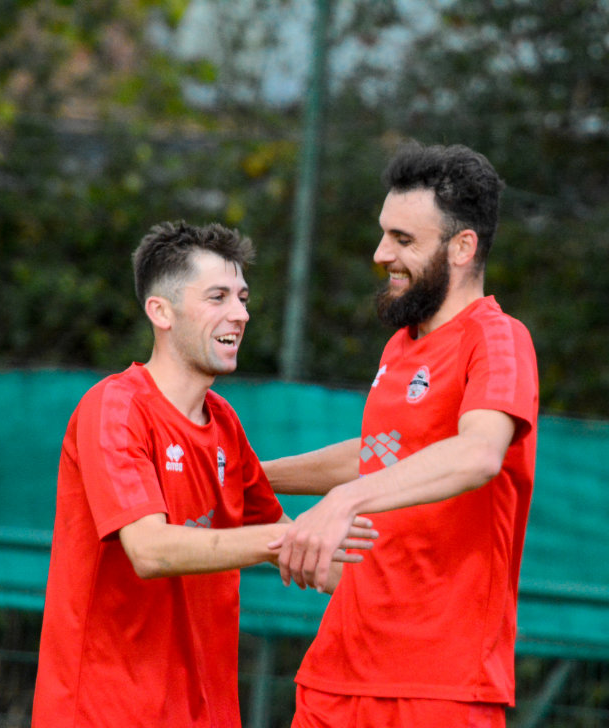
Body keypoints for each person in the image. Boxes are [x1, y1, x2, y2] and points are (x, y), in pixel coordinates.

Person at [31, 220, 375, 728]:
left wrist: (410, 607)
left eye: (243, 297)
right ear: (161, 312)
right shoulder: (115, 407)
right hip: (106, 714)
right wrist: (290, 536)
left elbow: (307, 552)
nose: (240, 313)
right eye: (218, 297)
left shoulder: (224, 424)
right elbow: (150, 550)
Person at [265, 142, 539, 728]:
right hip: (334, 673)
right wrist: (251, 475)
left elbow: (478, 453)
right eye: (383, 234)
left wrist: (343, 501)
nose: (380, 253)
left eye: (403, 239)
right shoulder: (400, 346)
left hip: (438, 686)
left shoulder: (498, 338)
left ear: (462, 247)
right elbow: (380, 456)